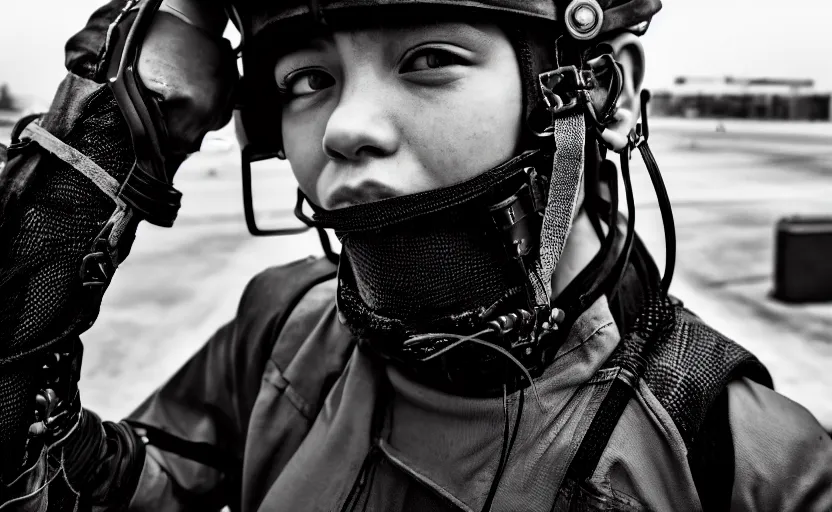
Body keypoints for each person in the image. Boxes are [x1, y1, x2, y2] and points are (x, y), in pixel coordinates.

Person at [0, 0, 830, 510]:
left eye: (429, 59)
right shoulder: (283, 328)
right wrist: (110, 134)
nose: (344, 128)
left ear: (601, 94)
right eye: (305, 81)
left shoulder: (744, 463)